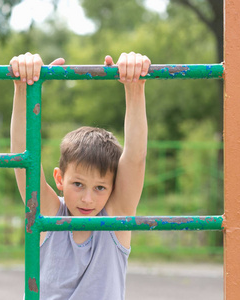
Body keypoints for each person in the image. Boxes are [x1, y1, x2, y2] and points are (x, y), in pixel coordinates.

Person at [10, 52, 150, 300]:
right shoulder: (50, 215)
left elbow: (136, 158)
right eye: (78, 184)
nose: (87, 199)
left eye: (100, 188)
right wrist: (24, 88)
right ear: (59, 178)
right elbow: (23, 160)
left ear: (113, 186)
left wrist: (135, 88)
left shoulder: (115, 219)